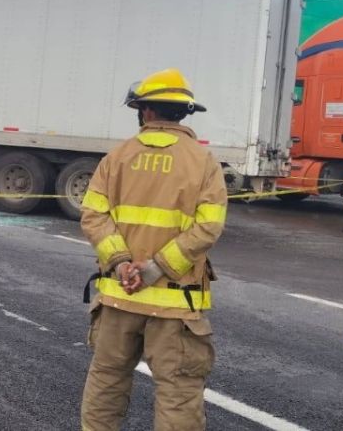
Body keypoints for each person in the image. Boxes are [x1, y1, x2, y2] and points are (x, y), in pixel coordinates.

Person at [79, 68, 227, 430]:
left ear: (145, 111)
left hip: (118, 297)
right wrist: (156, 269)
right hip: (176, 306)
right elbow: (208, 226)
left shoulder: (116, 157)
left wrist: (121, 264)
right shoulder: (203, 163)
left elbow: (93, 214)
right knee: (178, 396)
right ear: (183, 113)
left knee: (106, 383)